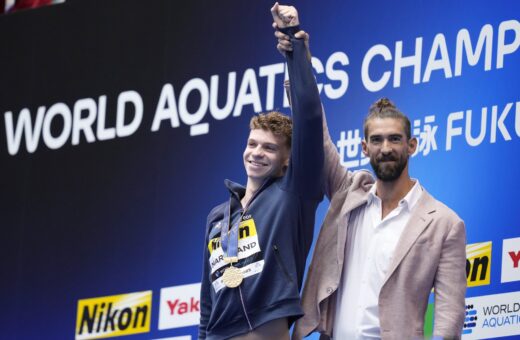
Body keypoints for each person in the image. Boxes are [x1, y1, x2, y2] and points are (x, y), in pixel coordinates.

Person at [274, 6, 467, 340]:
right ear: (364, 148)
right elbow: (314, 129)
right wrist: (297, 55)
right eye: (376, 140)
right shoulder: (348, 192)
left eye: (395, 139)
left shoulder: (444, 223)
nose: (386, 147)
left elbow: (450, 316)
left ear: (413, 145)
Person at [198, 4, 325, 339]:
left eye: (269, 148)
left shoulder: (294, 193)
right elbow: (207, 302)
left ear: (287, 160)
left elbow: (310, 117)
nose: (256, 153)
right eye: (253, 143)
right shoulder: (217, 217)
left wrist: (292, 44)